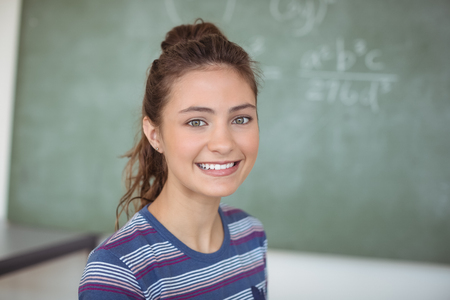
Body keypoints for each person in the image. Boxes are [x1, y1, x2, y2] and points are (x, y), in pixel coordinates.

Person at [79, 20, 267, 300]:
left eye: (240, 119)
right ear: (155, 135)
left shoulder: (251, 234)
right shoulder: (118, 272)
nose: (224, 143)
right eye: (196, 121)